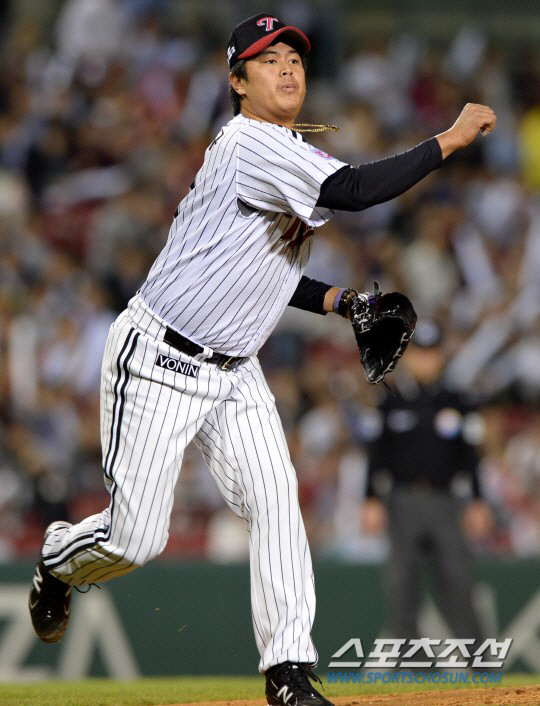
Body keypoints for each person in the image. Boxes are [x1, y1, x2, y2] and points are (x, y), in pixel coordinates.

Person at [28, 12, 496, 705]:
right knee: (134, 540)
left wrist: (341, 302)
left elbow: (259, 271)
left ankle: (288, 672)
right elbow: (354, 191)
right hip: (159, 357)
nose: (287, 69)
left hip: (235, 370)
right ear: (238, 82)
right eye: (268, 60)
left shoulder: (283, 149)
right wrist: (448, 139)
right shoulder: (251, 142)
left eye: (295, 60)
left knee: (277, 500)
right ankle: (59, 561)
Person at [362, 320, 493, 654]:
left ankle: (481, 665)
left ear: (441, 356)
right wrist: (370, 498)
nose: (426, 361)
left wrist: (478, 500)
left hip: (445, 500)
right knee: (402, 585)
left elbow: (471, 456)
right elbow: (376, 454)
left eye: (432, 353)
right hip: (402, 500)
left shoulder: (457, 401)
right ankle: (412, 668)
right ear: (408, 357)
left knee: (458, 582)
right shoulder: (390, 401)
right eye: (420, 353)